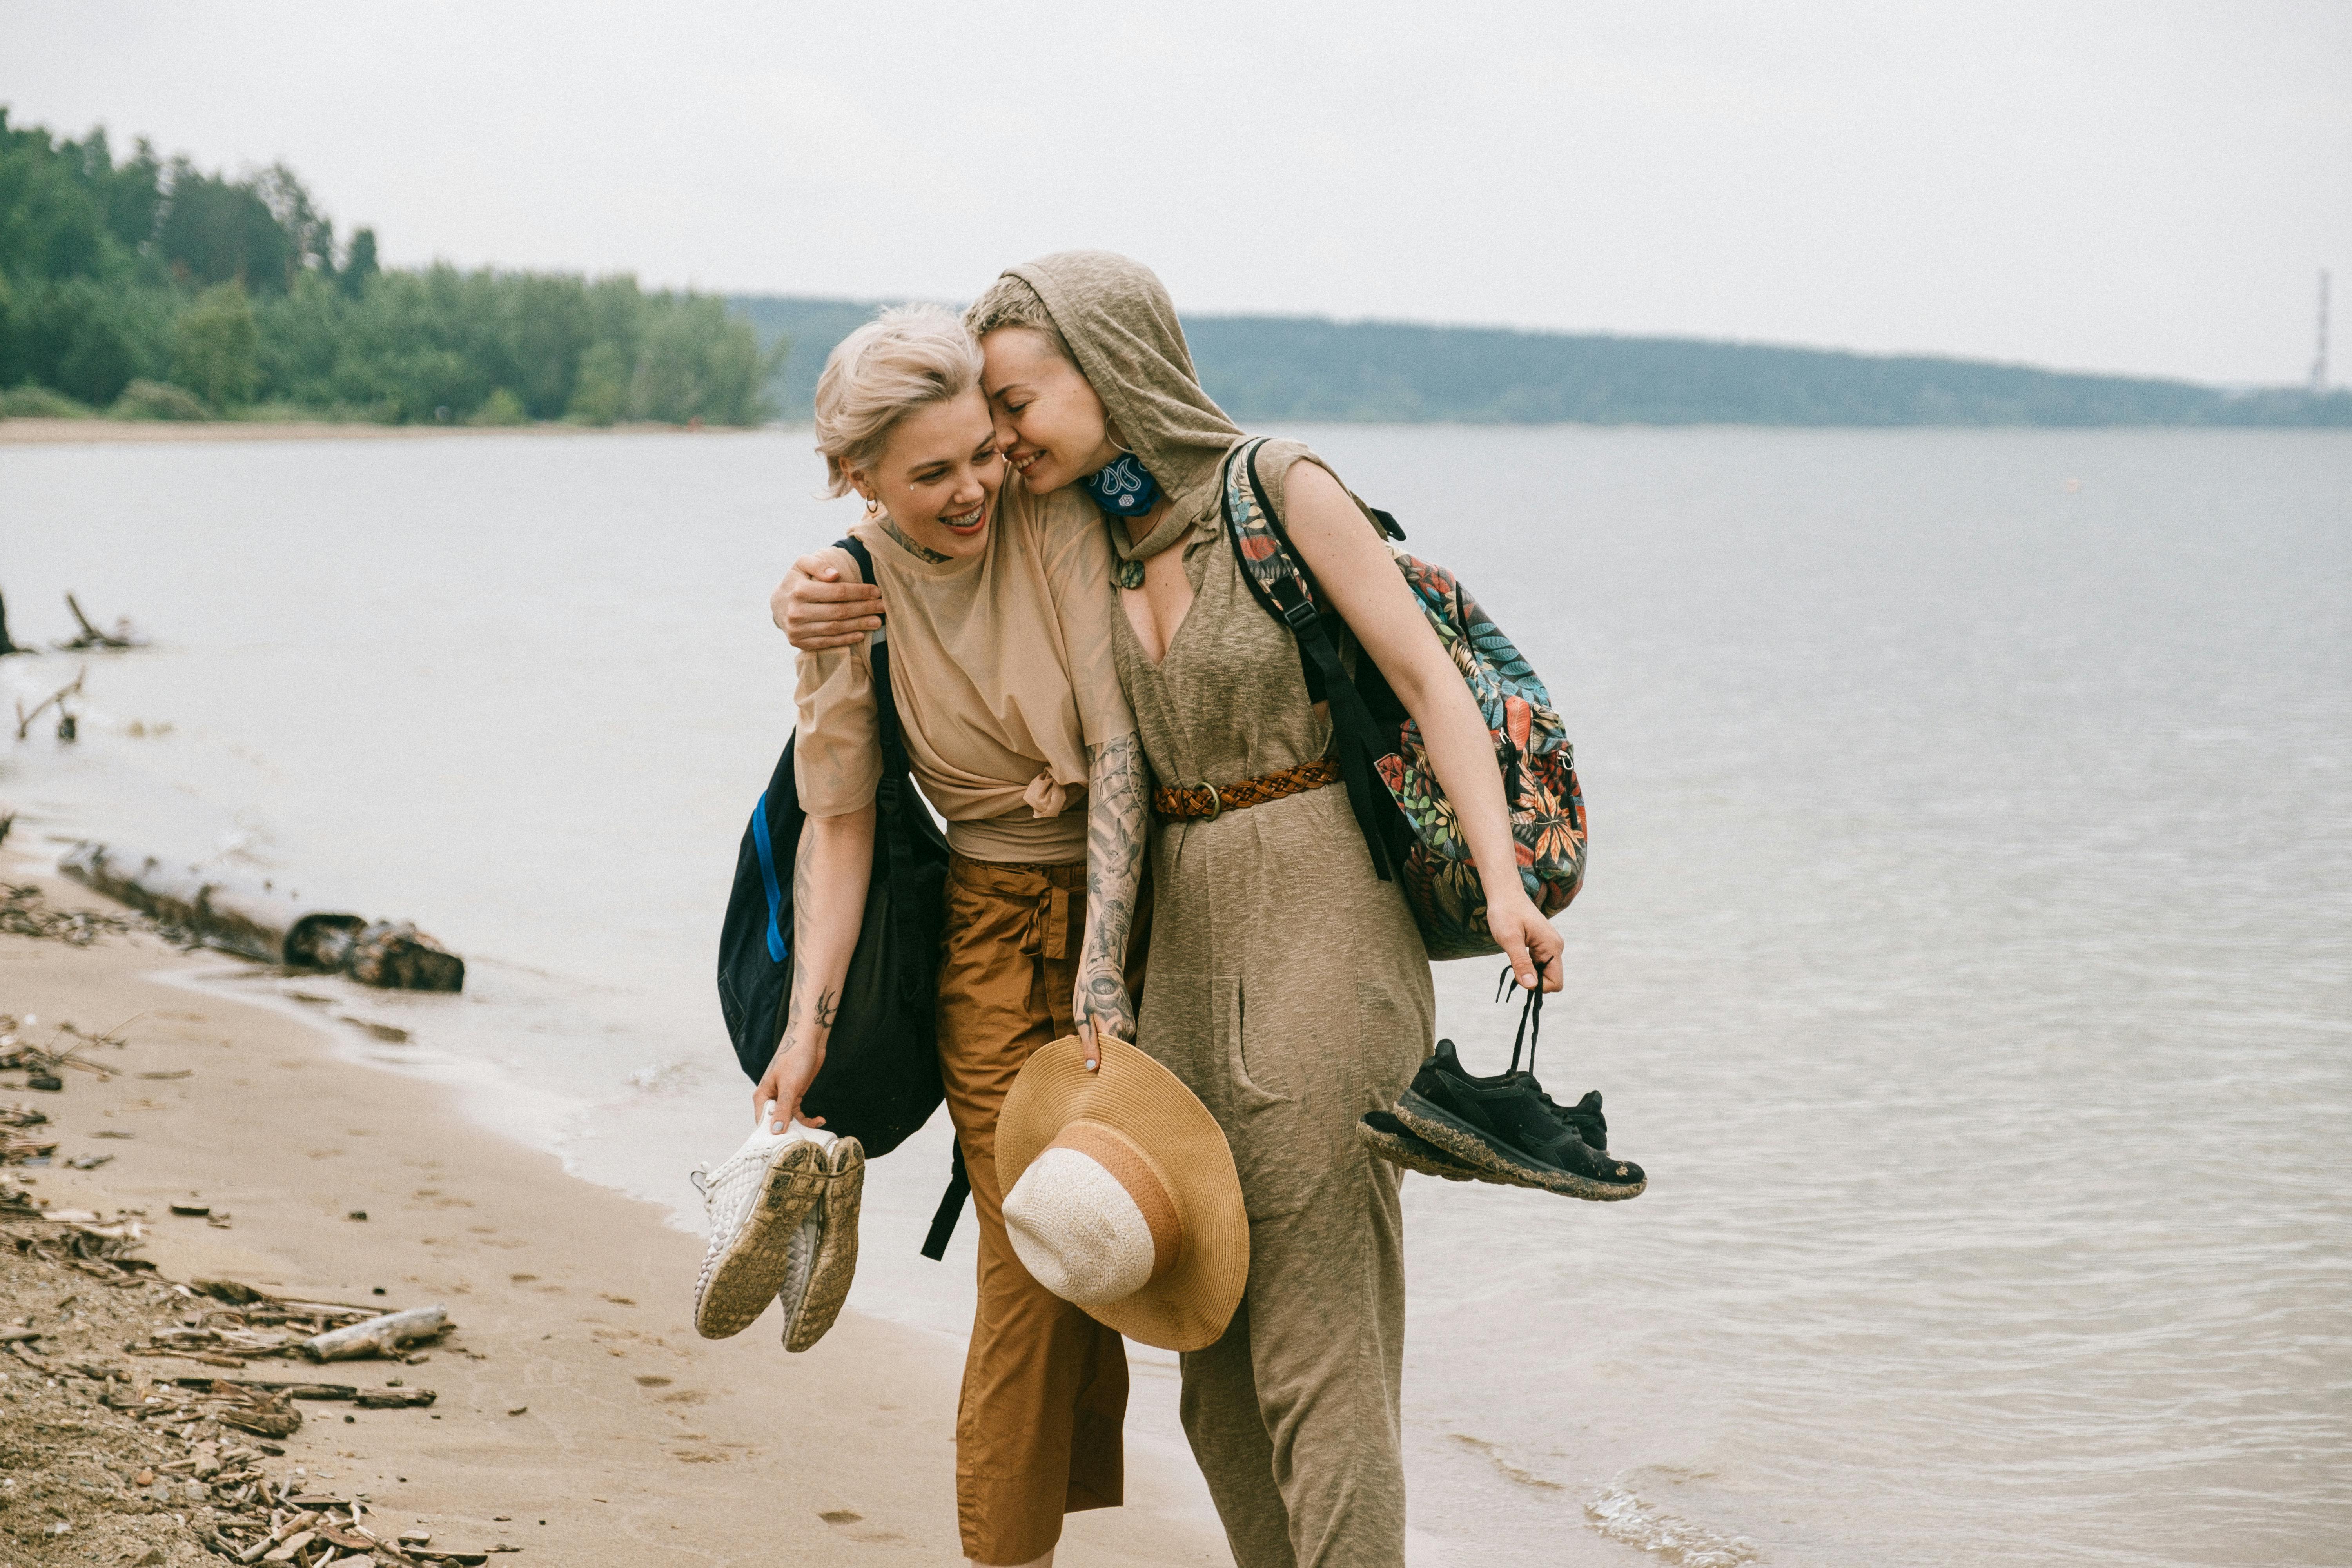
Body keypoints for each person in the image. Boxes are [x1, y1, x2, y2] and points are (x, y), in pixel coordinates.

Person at [780, 254, 1563, 1568]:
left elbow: (1429, 683)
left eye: (1013, 411)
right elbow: (899, 680)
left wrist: (1503, 885)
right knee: (1211, 1351)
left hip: (1319, 910)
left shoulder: (1275, 487)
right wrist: (806, 596)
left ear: (1111, 369)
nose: (1001, 448)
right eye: (983, 426)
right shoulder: (1089, 523)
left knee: (1321, 1341)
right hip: (1172, 940)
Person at [757, 304, 1150, 1568]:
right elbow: (841, 820)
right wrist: (802, 1033)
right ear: (854, 477)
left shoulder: (1055, 514)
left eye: (982, 449)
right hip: (988, 938)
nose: (976, 485)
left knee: (1162, 1244)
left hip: (1145, 913)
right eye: (932, 473)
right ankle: (1009, 1552)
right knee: (1033, 1251)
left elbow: (1117, 749)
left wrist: (1107, 977)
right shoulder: (846, 593)